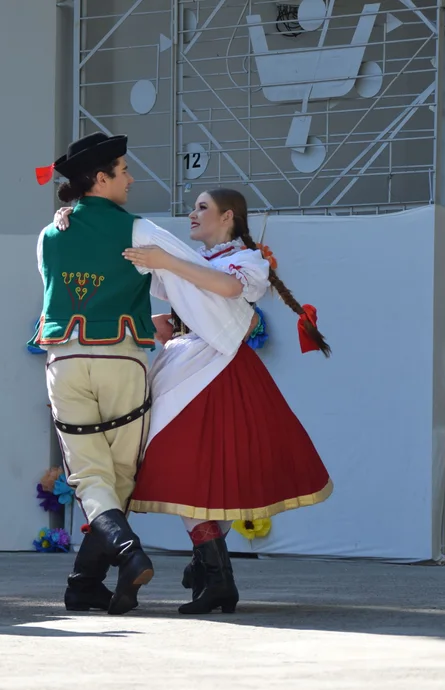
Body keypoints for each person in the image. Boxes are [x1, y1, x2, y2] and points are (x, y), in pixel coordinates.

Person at [52, 188, 332, 615]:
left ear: (229, 218)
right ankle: (204, 573)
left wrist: (167, 262)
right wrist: (75, 218)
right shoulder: (196, 261)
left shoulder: (247, 262)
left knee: (181, 468)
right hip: (187, 366)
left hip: (216, 374)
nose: (192, 214)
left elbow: (225, 286)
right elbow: (165, 282)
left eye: (203, 207)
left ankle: (201, 574)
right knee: (173, 470)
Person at [32, 132, 163, 615]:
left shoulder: (50, 233)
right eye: (123, 169)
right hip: (122, 358)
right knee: (120, 475)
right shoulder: (139, 229)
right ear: (100, 178)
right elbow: (183, 275)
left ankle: (84, 582)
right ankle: (127, 555)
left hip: (64, 361)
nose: (131, 177)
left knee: (90, 476)